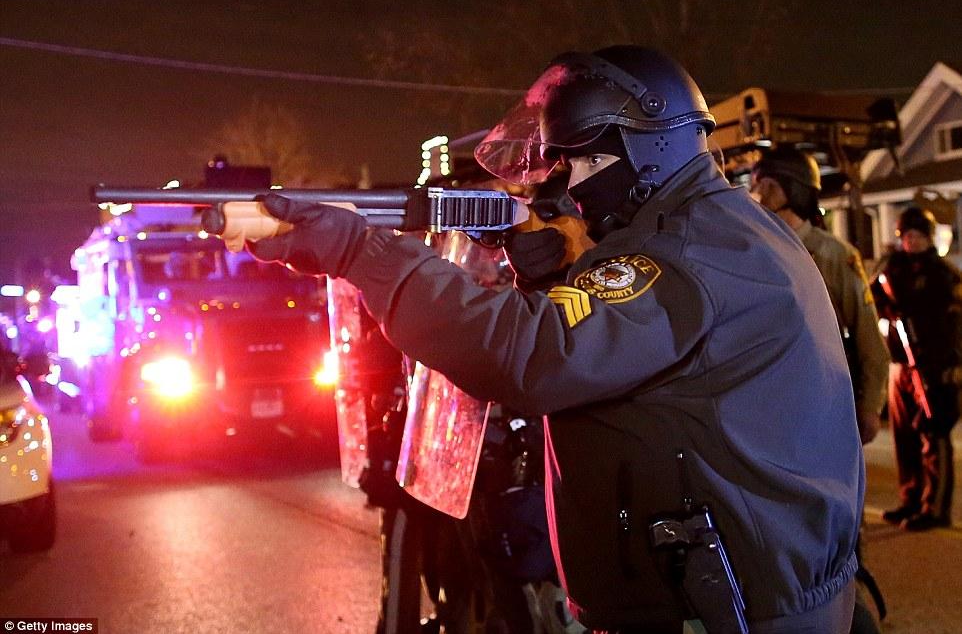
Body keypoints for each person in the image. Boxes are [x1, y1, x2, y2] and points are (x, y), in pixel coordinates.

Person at [235, 46, 863, 633]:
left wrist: (358, 251)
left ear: (654, 149)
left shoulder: (685, 250)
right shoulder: (714, 225)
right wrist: (556, 274)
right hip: (741, 589)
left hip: (727, 609)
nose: (571, 184)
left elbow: (533, 355)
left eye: (588, 160)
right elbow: (642, 351)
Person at [751, 148, 890, 632]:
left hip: (829, 412)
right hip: (772, 416)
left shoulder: (832, 255)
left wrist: (869, 406)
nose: (756, 189)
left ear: (794, 189)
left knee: (837, 530)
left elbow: (870, 341)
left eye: (768, 182)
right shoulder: (749, 246)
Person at [872, 206, 962, 532]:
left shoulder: (943, 274)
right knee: (905, 436)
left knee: (933, 433)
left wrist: (948, 365)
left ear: (929, 237)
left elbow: (953, 325)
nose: (912, 242)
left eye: (918, 236)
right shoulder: (893, 269)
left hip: (934, 364)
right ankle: (909, 499)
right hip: (901, 365)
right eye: (907, 236)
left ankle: (934, 507)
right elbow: (873, 299)